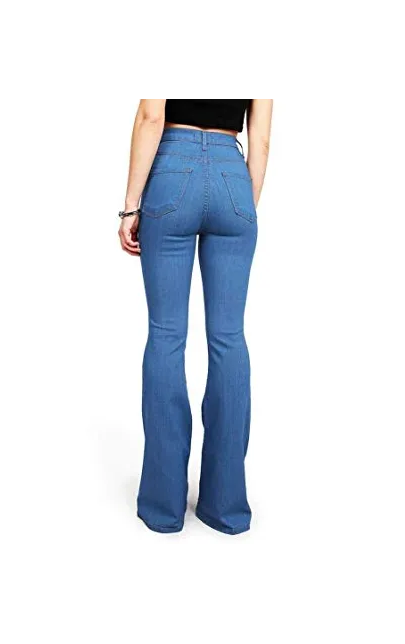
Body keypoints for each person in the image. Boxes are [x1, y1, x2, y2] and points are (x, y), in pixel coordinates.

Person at [119, 97, 273, 534]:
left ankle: (164, 507)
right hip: (233, 173)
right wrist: (242, 203)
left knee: (166, 335)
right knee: (229, 338)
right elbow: (261, 138)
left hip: (172, 169)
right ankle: (225, 507)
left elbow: (152, 115)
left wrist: (130, 206)